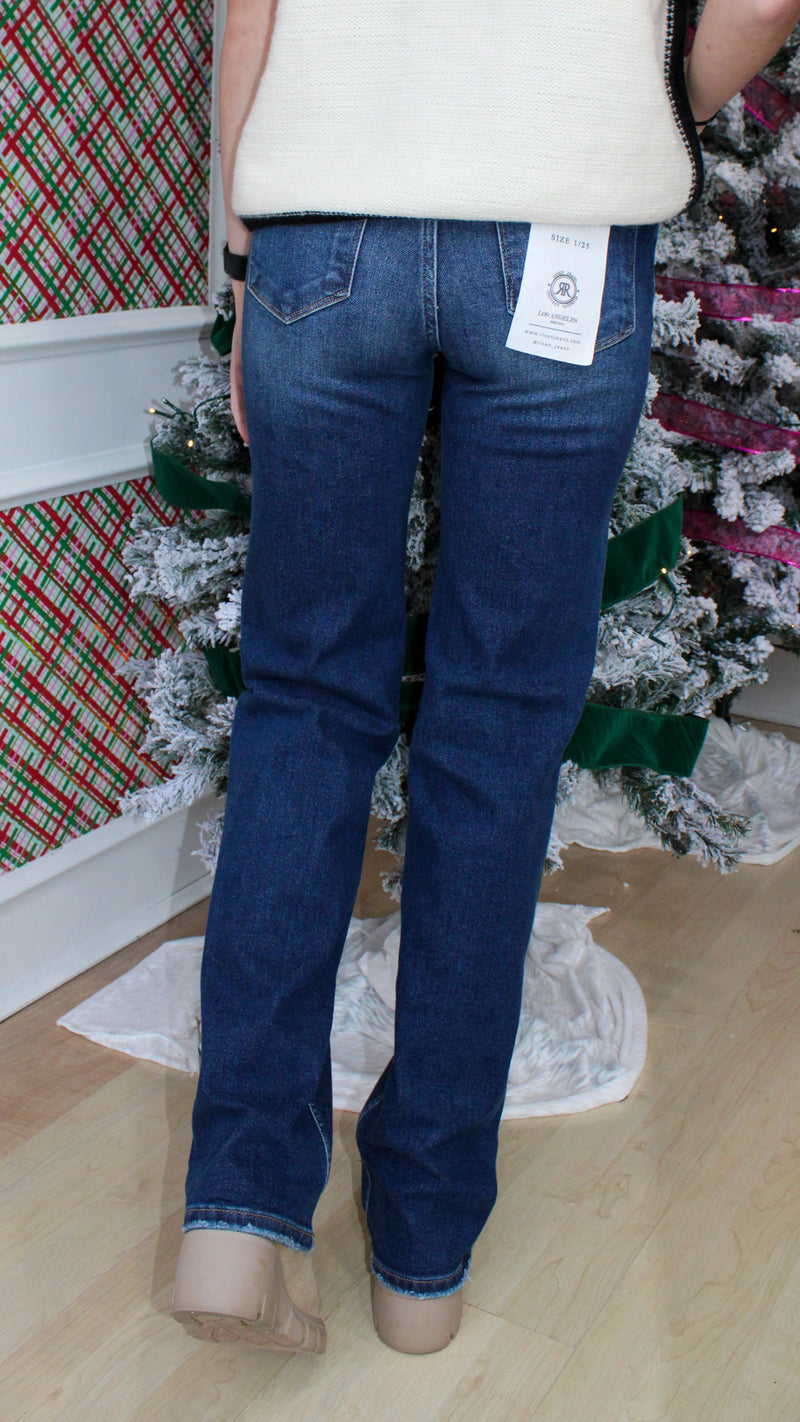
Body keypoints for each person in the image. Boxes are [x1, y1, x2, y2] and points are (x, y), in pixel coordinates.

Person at [170, 0, 800, 1357]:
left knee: (303, 705)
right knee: (500, 726)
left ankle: (237, 1210)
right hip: (563, 232)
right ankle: (424, 1259)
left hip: (322, 228)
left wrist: (240, 254)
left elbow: (251, 12)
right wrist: (635, 103)